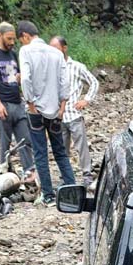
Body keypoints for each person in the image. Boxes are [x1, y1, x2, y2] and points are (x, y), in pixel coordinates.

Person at [17, 20, 76, 206]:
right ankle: (72, 190)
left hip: (36, 111)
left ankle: (49, 196)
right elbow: (64, 82)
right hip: (55, 110)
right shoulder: (56, 53)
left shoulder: (25, 51)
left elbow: (26, 79)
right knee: (60, 152)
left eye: (21, 40)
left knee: (40, 154)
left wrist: (31, 102)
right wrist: (62, 106)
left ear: (25, 36)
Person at [0, 21, 36, 184]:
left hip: (17, 101)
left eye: (14, 39)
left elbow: (19, 74)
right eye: (9, 39)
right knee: (5, 140)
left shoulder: (13, 54)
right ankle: (4, 171)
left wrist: (20, 79)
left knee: (25, 139)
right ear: (0, 36)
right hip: (3, 102)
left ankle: (29, 171)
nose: (12, 42)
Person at [49, 36, 99, 187]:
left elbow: (94, 82)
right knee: (62, 149)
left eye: (55, 49)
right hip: (58, 115)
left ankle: (87, 175)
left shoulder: (76, 66)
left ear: (64, 48)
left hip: (74, 113)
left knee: (81, 147)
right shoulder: (51, 68)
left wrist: (86, 100)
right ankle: (66, 177)